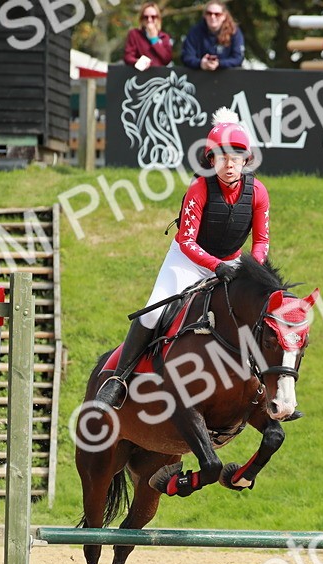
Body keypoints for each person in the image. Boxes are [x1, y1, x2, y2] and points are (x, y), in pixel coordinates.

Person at [95, 109, 269, 409]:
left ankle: (270, 388)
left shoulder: (258, 192)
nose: (229, 164)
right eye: (222, 157)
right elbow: (186, 241)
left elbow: (262, 241)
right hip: (188, 261)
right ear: (210, 160)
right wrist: (216, 266)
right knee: (151, 313)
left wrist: (250, 273)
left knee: (260, 313)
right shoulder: (199, 189)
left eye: (236, 157)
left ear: (246, 159)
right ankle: (117, 380)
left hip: (233, 263)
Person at [181, 3, 244, 71]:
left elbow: (238, 58)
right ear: (204, 15)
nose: (213, 17)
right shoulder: (195, 32)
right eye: (209, 13)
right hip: (200, 76)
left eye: (217, 14)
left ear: (224, 16)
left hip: (228, 76)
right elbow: (186, 57)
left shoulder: (234, 32)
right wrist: (201, 63)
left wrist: (219, 63)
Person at [123, 3, 174, 68]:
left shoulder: (164, 37)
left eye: (153, 17)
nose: (149, 20)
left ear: (158, 18)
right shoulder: (134, 34)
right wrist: (136, 61)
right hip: (140, 75)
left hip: (159, 76)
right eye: (146, 17)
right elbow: (128, 56)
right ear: (141, 19)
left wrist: (154, 40)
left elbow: (167, 59)